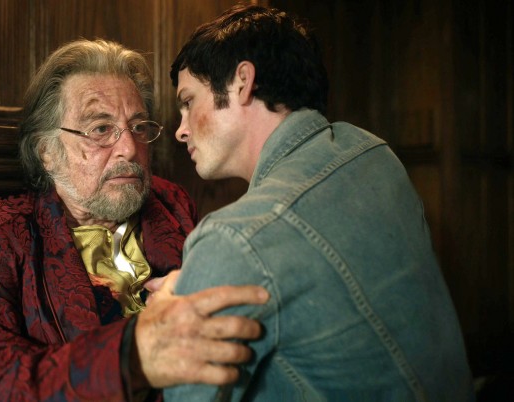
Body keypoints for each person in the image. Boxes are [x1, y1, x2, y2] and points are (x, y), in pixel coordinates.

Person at [0, 39, 268, 401]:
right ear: (47, 152)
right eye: (101, 129)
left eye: (138, 127)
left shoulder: (172, 204)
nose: (129, 149)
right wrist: (131, 357)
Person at [164, 5, 474, 401]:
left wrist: (180, 300)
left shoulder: (232, 239)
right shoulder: (373, 154)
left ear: (242, 82)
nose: (181, 130)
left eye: (188, 101)